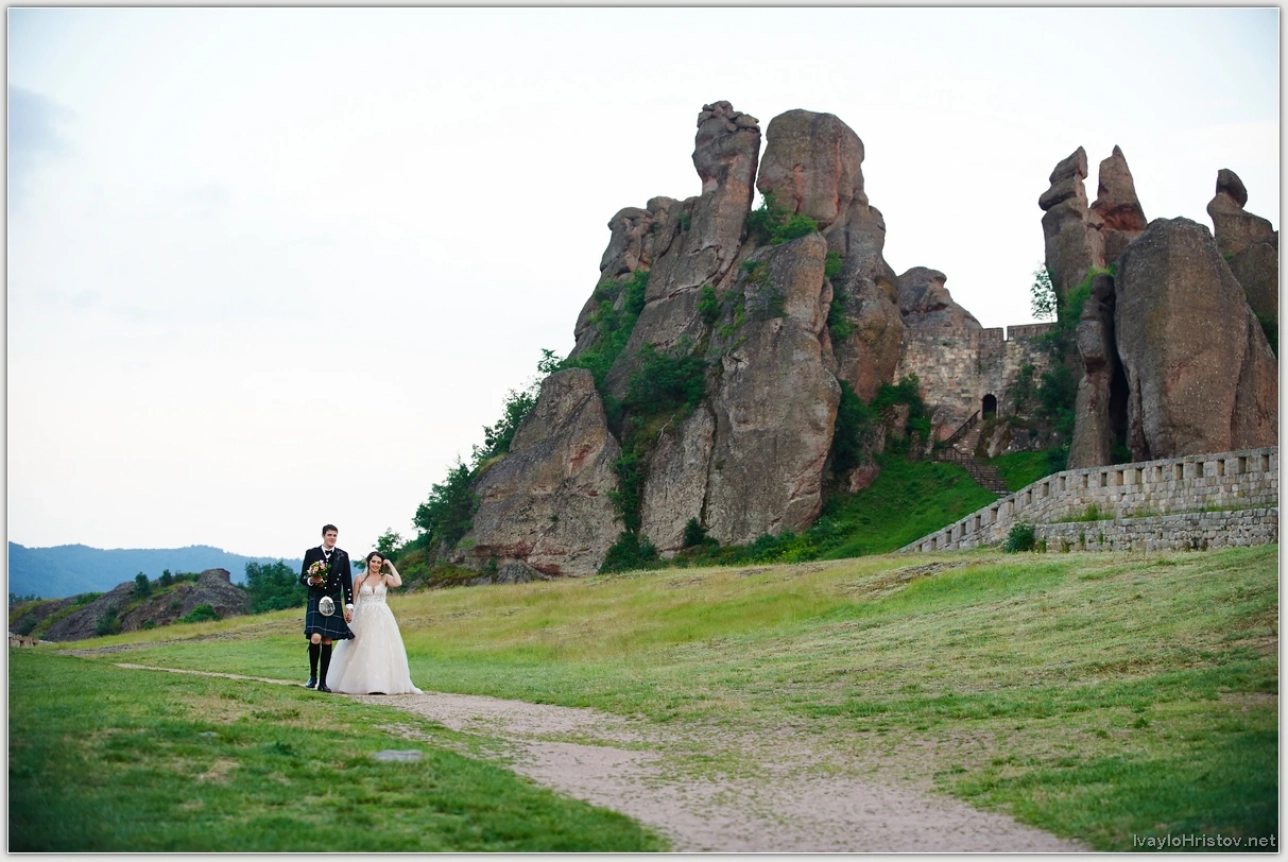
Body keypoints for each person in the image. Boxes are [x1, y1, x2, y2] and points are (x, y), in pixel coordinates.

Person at [325, 551, 421, 695]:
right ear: (368, 562)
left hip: (382, 616)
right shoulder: (360, 578)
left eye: (379, 562)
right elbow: (353, 598)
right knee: (360, 647)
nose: (376, 565)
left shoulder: (385, 578)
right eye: (373, 561)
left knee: (380, 648)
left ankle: (380, 684)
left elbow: (399, 582)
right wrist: (349, 611)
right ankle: (358, 683)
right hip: (363, 615)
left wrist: (390, 564)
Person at [299, 524, 354, 692]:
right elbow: (302, 577)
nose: (332, 538)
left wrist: (349, 606)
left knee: (327, 639)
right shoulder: (311, 553)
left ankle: (323, 682)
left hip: (334, 598)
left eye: (335, 535)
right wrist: (311, 581)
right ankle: (313, 676)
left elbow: (346, 581)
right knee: (315, 637)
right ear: (323, 536)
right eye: (329, 535)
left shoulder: (342, 556)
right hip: (316, 597)